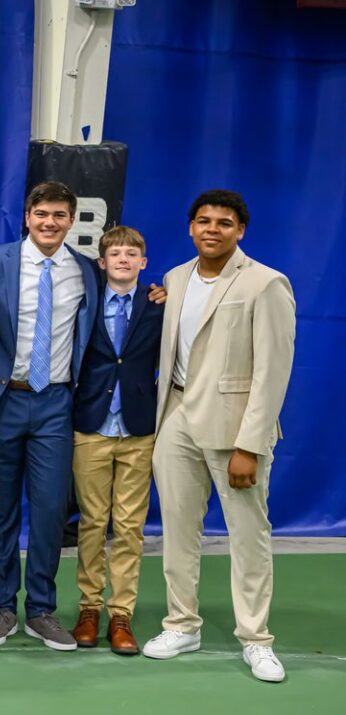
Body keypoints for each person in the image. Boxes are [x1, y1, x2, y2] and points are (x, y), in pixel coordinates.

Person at [142, 190, 295, 683]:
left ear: (240, 230)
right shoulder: (176, 278)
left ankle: (256, 639)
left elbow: (273, 371)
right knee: (179, 531)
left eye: (224, 223)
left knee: (248, 535)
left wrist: (251, 444)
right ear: (191, 227)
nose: (213, 229)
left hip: (234, 428)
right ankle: (182, 624)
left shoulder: (265, 283)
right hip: (176, 417)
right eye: (204, 221)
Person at [0, 181, 99, 652]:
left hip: (55, 404)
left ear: (71, 220)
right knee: (0, 511)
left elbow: (118, 303)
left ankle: (41, 608)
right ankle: (4, 606)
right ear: (27, 216)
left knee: (48, 512)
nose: (49, 222)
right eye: (41, 213)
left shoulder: (85, 271)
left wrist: (156, 295)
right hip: (4, 401)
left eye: (60, 215)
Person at [69, 226, 164, 656]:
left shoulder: (159, 305)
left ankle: (120, 613)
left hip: (139, 429)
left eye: (132, 254)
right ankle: (89, 608)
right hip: (91, 426)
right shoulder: (84, 305)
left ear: (143, 263)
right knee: (91, 521)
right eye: (115, 253)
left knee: (129, 526)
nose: (123, 259)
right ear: (102, 263)